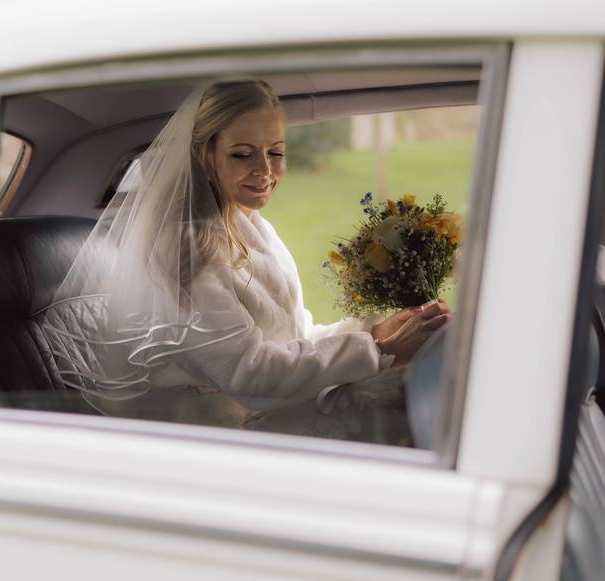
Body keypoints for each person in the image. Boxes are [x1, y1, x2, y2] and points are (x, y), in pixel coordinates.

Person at [41, 79, 449, 441]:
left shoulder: (249, 224)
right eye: (242, 154)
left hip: (263, 405)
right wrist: (379, 350)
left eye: (276, 152)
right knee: (401, 402)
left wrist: (376, 331)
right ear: (205, 156)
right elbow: (250, 373)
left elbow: (292, 335)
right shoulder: (185, 251)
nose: (265, 170)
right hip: (220, 437)